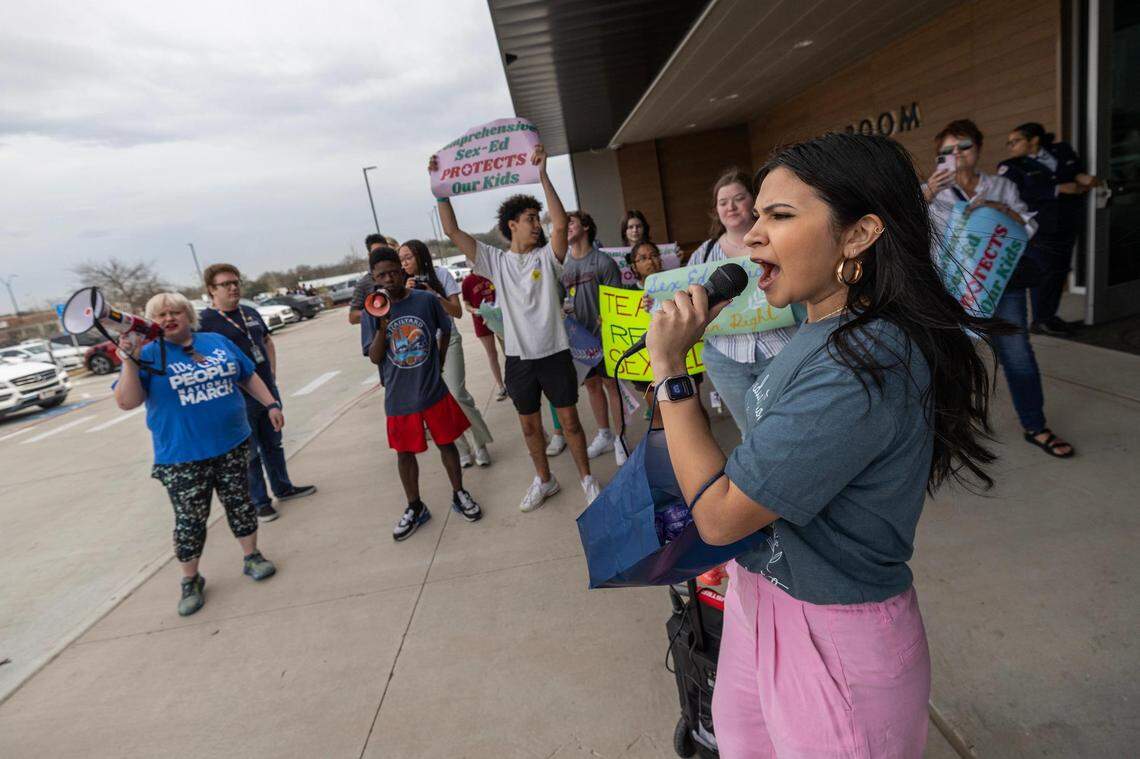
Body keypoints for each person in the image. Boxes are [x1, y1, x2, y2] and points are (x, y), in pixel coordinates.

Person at [645, 132, 1002, 756]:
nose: (753, 235)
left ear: (860, 233)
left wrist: (672, 374)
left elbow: (723, 514)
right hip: (766, 602)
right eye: (756, 215)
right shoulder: (819, 325)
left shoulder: (866, 362)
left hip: (834, 638)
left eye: (779, 216)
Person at [430, 144, 601, 511]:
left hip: (555, 353)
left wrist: (542, 175)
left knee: (570, 422)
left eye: (537, 219)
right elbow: (451, 230)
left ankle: (587, 478)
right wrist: (440, 188)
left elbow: (559, 223)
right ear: (511, 225)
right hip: (519, 360)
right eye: (530, 219)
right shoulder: (493, 260)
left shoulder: (548, 256)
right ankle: (545, 479)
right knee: (529, 428)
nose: (537, 225)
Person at [114, 292, 282, 617]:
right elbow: (126, 401)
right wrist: (128, 361)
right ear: (152, 322)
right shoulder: (147, 353)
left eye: (175, 311)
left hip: (232, 443)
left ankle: (252, 556)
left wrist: (270, 404)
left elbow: (246, 374)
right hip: (182, 456)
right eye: (160, 315)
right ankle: (190, 580)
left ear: (188, 313)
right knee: (190, 520)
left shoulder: (216, 341)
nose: (168, 318)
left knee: (240, 503)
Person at [925, 119, 1074, 458]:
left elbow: (1029, 227)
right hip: (954, 287)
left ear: (978, 148)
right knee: (951, 361)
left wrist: (998, 209)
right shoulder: (932, 192)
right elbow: (905, 227)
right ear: (939, 157)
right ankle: (947, 433)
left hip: (1001, 282)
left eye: (964, 146)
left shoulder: (999, 186)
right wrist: (928, 193)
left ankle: (1035, 426)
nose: (957, 155)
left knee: (1017, 355)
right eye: (947, 151)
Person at [365, 247, 482, 540]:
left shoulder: (426, 300)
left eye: (394, 271)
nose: (389, 278)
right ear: (373, 278)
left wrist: (439, 366)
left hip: (432, 389)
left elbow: (445, 332)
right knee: (404, 454)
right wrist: (382, 324)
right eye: (382, 275)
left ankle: (459, 493)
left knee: (447, 444)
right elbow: (375, 356)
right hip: (398, 396)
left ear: (402, 270)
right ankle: (415, 506)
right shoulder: (374, 307)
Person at [199, 264, 317, 521]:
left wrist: (271, 373)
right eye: (226, 284)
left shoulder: (250, 312)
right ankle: (260, 502)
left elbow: (266, 341)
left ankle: (283, 487)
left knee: (274, 443)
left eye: (236, 282)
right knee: (250, 453)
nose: (233, 287)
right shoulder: (204, 323)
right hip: (236, 399)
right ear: (211, 290)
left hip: (265, 390)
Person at [687, 169, 797, 434]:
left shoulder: (777, 243)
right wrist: (654, 302)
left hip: (782, 351)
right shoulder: (703, 255)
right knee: (750, 431)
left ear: (754, 201)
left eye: (738, 198)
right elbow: (687, 296)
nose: (731, 207)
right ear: (716, 209)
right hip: (726, 359)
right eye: (723, 202)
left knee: (793, 427)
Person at [398, 239, 493, 467]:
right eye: (401, 260)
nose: (405, 264)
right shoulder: (402, 285)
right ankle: (461, 448)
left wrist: (433, 294)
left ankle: (480, 444)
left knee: (458, 394)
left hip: (448, 340)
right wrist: (407, 294)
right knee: (439, 402)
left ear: (421, 256)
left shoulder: (441, 275)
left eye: (408, 257)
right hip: (422, 349)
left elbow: (458, 312)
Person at [1001, 122, 1099, 335]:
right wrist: (1056, 189)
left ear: (1033, 140)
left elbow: (1074, 171)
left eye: (1015, 141)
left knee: (1060, 271)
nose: (1010, 146)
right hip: (1039, 229)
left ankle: (1049, 316)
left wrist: (1083, 178)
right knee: (1044, 272)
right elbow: (1012, 195)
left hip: (1067, 222)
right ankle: (1040, 320)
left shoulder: (1061, 150)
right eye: (1009, 143)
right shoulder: (1011, 167)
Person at [562, 210, 627, 464]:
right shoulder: (563, 267)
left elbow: (618, 301)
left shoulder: (603, 262)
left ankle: (621, 437)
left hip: (606, 338)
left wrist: (607, 324)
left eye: (571, 223)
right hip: (580, 342)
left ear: (586, 227)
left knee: (612, 385)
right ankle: (605, 435)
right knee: (592, 386)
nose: (566, 227)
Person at [460, 272, 509, 401]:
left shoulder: (491, 273)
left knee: (509, 351)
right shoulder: (467, 281)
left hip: (499, 318)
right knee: (492, 354)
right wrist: (474, 310)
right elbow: (466, 304)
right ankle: (501, 387)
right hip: (481, 321)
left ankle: (514, 382)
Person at [349, 233, 392, 325]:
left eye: (384, 250)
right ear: (369, 255)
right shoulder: (363, 283)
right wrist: (375, 311)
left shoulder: (400, 273)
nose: (381, 255)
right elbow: (352, 317)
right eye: (377, 252)